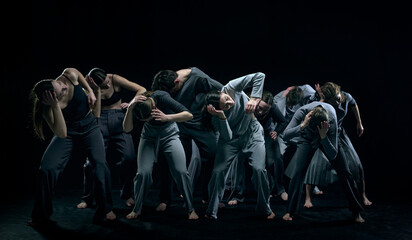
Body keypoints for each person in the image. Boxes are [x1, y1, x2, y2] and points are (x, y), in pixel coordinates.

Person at [28, 68, 115, 227]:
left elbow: (80, 76)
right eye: (61, 90)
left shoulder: (69, 74)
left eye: (60, 83)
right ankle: (40, 215)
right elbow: (61, 133)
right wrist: (55, 106)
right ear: (52, 98)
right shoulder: (48, 109)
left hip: (90, 127)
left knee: (100, 163)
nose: (65, 87)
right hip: (68, 132)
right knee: (46, 168)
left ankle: (106, 208)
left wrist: (91, 91)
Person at [202, 72, 275, 220]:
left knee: (259, 169)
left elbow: (259, 75)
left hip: (252, 132)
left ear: (221, 92)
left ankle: (264, 209)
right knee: (218, 172)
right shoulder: (216, 117)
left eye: (227, 100)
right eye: (226, 106)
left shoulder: (230, 87)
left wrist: (254, 98)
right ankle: (212, 210)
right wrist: (222, 117)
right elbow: (227, 137)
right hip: (231, 139)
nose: (230, 103)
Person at [281, 101, 365, 223]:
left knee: (345, 173)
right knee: (297, 173)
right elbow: (285, 136)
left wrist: (323, 137)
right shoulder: (301, 113)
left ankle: (356, 211)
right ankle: (290, 211)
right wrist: (302, 126)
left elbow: (333, 154)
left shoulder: (331, 118)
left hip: (326, 135)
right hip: (307, 137)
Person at [151, 67, 223, 208]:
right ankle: (165, 199)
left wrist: (211, 109)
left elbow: (222, 90)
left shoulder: (198, 78)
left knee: (212, 155)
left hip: (200, 124)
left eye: (172, 92)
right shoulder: (166, 80)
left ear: (177, 82)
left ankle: (207, 196)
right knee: (166, 158)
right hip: (177, 122)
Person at [123, 90, 199, 220]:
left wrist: (167, 117)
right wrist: (130, 108)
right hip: (148, 136)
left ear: (154, 108)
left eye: (149, 118)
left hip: (169, 133)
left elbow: (189, 115)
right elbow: (127, 129)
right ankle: (137, 209)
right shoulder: (137, 103)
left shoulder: (162, 97)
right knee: (143, 173)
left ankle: (190, 208)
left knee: (180, 171)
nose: (148, 120)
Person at [76, 68, 146, 209]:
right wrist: (95, 90)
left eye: (107, 82)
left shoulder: (114, 78)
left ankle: (127, 194)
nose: (108, 85)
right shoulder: (86, 87)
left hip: (119, 118)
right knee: (91, 163)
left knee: (129, 157)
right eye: (103, 85)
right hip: (98, 120)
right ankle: (88, 197)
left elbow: (142, 89)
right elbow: (94, 111)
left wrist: (132, 102)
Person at [302, 82, 372, 208]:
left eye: (338, 99)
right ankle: (307, 197)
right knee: (315, 165)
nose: (338, 102)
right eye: (333, 101)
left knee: (356, 164)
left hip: (339, 133)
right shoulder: (321, 101)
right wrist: (321, 99)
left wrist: (359, 123)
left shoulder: (346, 96)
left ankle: (362, 195)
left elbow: (354, 104)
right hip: (324, 133)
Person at [226, 90, 289, 206]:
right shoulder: (246, 103)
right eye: (260, 108)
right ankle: (238, 194)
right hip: (245, 134)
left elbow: (283, 121)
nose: (261, 112)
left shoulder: (272, 108)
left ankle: (279, 189)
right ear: (256, 101)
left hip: (265, 134)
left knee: (276, 157)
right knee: (239, 162)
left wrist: (276, 131)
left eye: (265, 110)